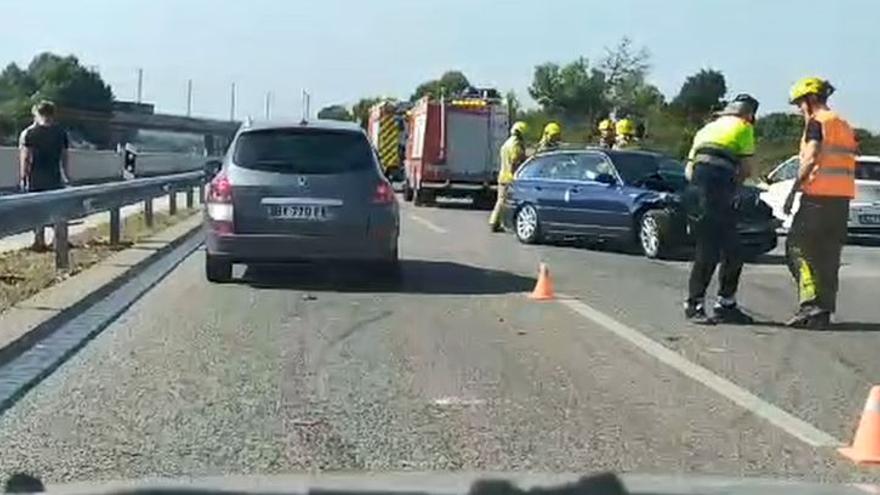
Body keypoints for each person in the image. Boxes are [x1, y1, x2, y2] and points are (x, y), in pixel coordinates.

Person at [783, 77, 856, 329]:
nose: (798, 109)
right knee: (828, 257)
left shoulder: (817, 122)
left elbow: (812, 157)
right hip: (841, 201)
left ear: (811, 99)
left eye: (799, 104)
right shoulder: (843, 123)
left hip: (817, 198)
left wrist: (793, 191)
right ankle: (823, 311)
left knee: (797, 249)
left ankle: (809, 304)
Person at [683, 94, 760, 324]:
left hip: (696, 190)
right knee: (720, 249)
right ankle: (700, 304)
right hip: (718, 190)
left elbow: (688, 170)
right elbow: (746, 168)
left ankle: (721, 304)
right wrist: (735, 189)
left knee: (721, 248)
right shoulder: (744, 127)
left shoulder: (706, 130)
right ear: (749, 114)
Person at [18, 100, 71, 250]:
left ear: (36, 114)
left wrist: (23, 177)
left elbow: (25, 157)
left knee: (37, 209)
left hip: (36, 176)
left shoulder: (29, 133)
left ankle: (39, 240)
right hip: (54, 175)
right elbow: (65, 156)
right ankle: (59, 240)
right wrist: (66, 175)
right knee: (57, 209)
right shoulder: (61, 133)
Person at [489, 121, 528, 232]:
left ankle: (497, 222)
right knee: (504, 201)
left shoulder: (507, 143)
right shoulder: (515, 145)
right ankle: (495, 222)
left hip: (503, 175)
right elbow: (515, 160)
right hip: (510, 177)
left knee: (501, 200)